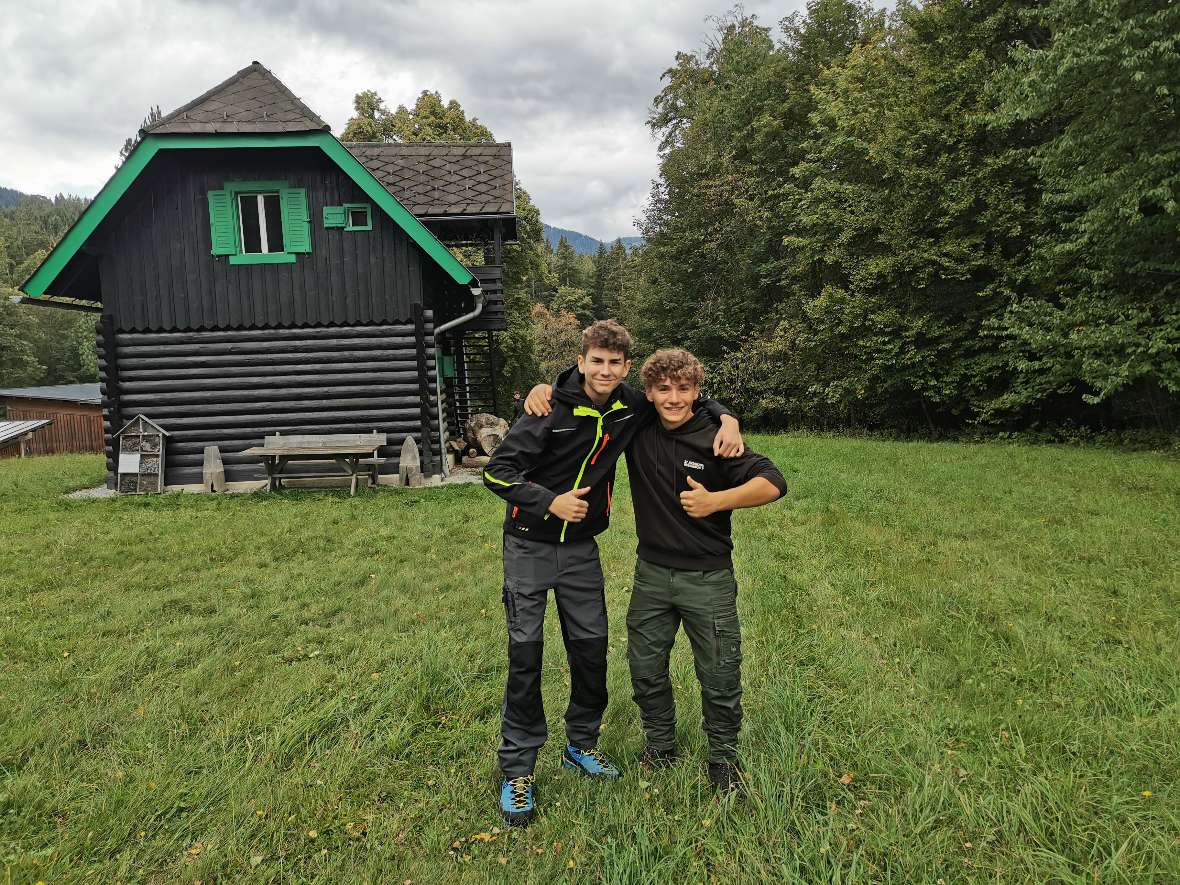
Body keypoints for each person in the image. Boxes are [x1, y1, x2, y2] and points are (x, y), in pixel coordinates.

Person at [482, 320, 743, 827]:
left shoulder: (630, 407)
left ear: (625, 368)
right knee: (526, 655)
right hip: (529, 547)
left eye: (614, 363)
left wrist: (728, 419)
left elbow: (686, 400)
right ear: (580, 362)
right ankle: (517, 769)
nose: (604, 371)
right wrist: (548, 502)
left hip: (582, 550)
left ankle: (581, 744)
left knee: (590, 648)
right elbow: (497, 471)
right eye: (595, 361)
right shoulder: (546, 409)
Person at [624, 349, 786, 794]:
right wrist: (545, 390)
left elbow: (773, 482)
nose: (673, 398)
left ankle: (723, 759)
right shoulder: (636, 426)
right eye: (664, 389)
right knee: (645, 667)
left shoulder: (717, 437)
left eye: (683, 389)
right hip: (651, 575)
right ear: (650, 393)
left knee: (719, 673)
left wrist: (717, 500)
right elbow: (592, 394)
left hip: (707, 579)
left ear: (696, 392)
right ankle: (660, 745)